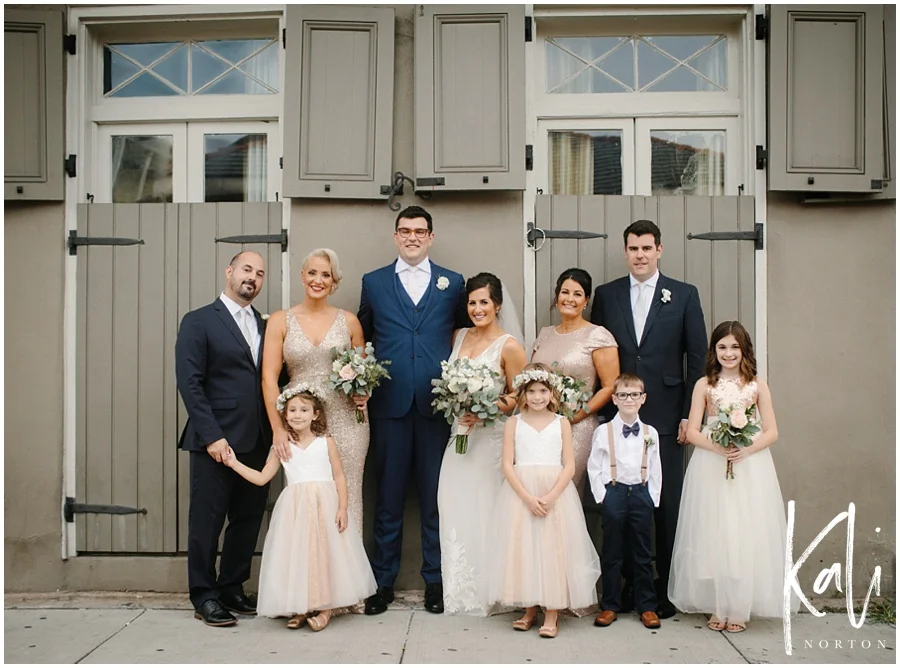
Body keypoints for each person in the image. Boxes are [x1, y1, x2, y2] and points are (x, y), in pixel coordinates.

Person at [589, 219, 707, 618]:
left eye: (646, 248)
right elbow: (600, 352)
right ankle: (619, 591)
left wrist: (691, 416)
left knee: (664, 503)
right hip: (618, 415)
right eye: (633, 248)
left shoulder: (685, 295)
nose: (639, 255)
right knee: (618, 503)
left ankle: (663, 590)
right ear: (625, 252)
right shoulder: (607, 295)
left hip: (667, 414)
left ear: (659, 250)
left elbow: (698, 359)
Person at [358, 205, 469, 615]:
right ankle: (382, 582)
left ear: (431, 237)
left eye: (420, 231)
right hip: (389, 405)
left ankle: (435, 583)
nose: (412, 237)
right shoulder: (373, 282)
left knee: (435, 499)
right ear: (395, 236)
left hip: (436, 408)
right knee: (387, 499)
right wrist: (360, 382)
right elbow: (362, 336)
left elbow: (461, 335)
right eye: (405, 231)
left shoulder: (452, 283)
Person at [669, 321, 793, 633]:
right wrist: (718, 447)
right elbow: (693, 431)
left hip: (750, 466)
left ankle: (738, 607)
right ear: (714, 350)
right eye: (722, 347)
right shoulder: (704, 385)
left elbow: (772, 431)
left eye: (734, 347)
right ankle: (718, 604)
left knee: (743, 531)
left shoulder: (757, 385)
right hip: (711, 464)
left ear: (744, 350)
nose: (729, 353)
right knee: (715, 530)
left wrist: (746, 450)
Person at [223, 383, 376, 631]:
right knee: (300, 557)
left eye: (304, 410)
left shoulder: (326, 442)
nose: (297, 415)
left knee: (325, 556)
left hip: (324, 506)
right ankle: (303, 608)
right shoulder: (282, 447)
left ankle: (326, 608)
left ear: (315, 414)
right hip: (295, 510)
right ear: (285, 415)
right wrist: (234, 464)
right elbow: (262, 478)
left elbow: (339, 476)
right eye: (292, 410)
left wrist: (342, 508)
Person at [175, 251, 271, 627]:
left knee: (247, 520)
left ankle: (232, 586)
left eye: (260, 273)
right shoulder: (199, 321)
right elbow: (190, 383)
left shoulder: (265, 325)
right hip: (214, 442)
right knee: (207, 521)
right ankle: (204, 595)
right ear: (230, 272)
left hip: (258, 439)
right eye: (247, 269)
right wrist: (212, 436)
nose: (253, 278)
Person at [488, 363, 602, 638]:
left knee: (553, 550)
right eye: (531, 391)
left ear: (553, 394)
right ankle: (529, 609)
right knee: (524, 549)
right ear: (522, 394)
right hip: (521, 493)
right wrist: (527, 498)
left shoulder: (562, 423)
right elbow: (507, 464)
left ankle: (552, 612)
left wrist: (551, 497)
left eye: (543, 391)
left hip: (554, 493)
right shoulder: (513, 423)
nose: (537, 397)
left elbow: (569, 466)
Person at [261, 248, 369, 537]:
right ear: (302, 275)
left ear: (334, 282)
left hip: (347, 418)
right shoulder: (281, 320)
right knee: (305, 494)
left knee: (347, 492)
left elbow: (363, 373)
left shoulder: (349, 322)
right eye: (312, 272)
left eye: (326, 274)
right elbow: (269, 379)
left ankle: (346, 579)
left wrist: (364, 393)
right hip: (300, 419)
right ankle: (309, 575)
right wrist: (278, 429)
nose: (318, 279)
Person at [437, 273, 527, 616]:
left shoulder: (509, 346)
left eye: (484, 302)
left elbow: (518, 398)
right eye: (472, 302)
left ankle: (492, 592)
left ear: (497, 305)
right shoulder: (458, 336)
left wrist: (484, 408)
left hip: (490, 441)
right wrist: (459, 405)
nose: (477, 309)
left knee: (488, 512)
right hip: (459, 438)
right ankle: (460, 592)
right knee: (454, 506)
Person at [531, 268, 619, 493]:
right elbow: (531, 379)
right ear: (557, 296)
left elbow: (610, 386)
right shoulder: (545, 334)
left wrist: (576, 416)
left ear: (586, 300)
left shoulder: (598, 335)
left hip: (577, 427)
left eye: (577, 294)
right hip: (540, 425)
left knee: (562, 492)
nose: (569, 299)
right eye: (564, 292)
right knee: (537, 488)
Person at [587, 373, 663, 630]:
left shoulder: (651, 432)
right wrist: (603, 496)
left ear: (643, 399)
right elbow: (594, 467)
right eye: (622, 395)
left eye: (634, 395)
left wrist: (652, 497)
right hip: (615, 493)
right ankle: (610, 605)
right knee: (612, 552)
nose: (628, 399)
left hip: (641, 492)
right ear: (614, 399)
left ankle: (647, 606)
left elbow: (655, 468)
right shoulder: (603, 431)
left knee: (642, 553)